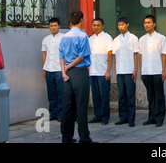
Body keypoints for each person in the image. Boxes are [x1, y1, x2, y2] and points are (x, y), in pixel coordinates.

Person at [59, 11, 94, 143]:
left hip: (67, 75)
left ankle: (66, 137)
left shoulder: (64, 37)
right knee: (81, 105)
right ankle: (84, 137)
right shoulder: (83, 36)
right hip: (79, 72)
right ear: (81, 20)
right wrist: (68, 68)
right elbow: (81, 56)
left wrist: (64, 71)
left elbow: (61, 56)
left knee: (68, 106)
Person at [139, 14, 166, 127]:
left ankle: (159, 118)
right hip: (146, 71)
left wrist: (164, 70)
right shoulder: (142, 39)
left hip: (157, 70)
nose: (147, 25)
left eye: (149, 23)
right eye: (145, 23)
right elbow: (141, 55)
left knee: (159, 95)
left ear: (154, 24)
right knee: (150, 96)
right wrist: (141, 71)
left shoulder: (161, 38)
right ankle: (151, 117)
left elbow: (164, 55)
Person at [112, 16, 139, 127]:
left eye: (123, 24)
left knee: (130, 96)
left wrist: (135, 70)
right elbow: (115, 56)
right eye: (119, 25)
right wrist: (116, 70)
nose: (121, 27)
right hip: (120, 71)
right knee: (121, 96)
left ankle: (131, 119)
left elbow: (135, 55)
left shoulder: (133, 38)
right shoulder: (116, 39)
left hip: (129, 70)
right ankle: (123, 117)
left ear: (127, 25)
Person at [88, 18, 113, 125]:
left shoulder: (107, 38)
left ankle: (105, 117)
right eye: (94, 25)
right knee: (95, 95)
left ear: (102, 26)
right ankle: (97, 115)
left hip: (103, 72)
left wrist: (108, 71)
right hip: (92, 71)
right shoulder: (90, 39)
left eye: (98, 25)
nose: (95, 27)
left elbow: (110, 55)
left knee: (104, 96)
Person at [41, 17, 64, 122]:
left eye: (55, 26)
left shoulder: (63, 38)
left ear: (59, 26)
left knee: (61, 93)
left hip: (59, 69)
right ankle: (52, 113)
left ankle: (60, 114)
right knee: (51, 93)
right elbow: (44, 54)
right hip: (49, 69)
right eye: (51, 26)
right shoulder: (46, 39)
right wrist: (44, 69)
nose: (53, 28)